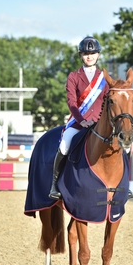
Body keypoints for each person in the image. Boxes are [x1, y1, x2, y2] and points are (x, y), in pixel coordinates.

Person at [49, 36, 109, 200]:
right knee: (65, 144)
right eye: (85, 53)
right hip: (78, 122)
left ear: (98, 55)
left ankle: (123, 184)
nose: (89, 56)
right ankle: (54, 185)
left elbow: (107, 102)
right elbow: (72, 102)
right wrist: (81, 120)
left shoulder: (104, 78)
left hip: (99, 124)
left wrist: (100, 121)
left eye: (93, 53)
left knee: (121, 147)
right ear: (81, 55)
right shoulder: (73, 76)